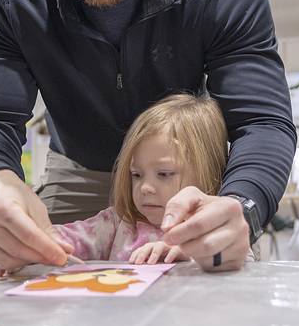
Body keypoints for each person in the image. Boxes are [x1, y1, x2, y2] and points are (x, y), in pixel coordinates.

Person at [0, 0, 296, 273]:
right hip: (77, 166)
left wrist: (243, 202)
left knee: (207, 285)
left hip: (182, 171)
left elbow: (261, 120)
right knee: (41, 276)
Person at [48, 94, 230, 265]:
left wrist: (191, 255)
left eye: (164, 174)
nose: (145, 188)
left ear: (208, 171)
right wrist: (41, 238)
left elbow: (241, 267)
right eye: (136, 174)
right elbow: (65, 240)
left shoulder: (218, 226)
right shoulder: (117, 223)